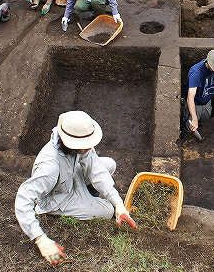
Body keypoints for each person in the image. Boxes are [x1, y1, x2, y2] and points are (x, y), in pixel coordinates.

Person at [15, 111, 136, 265]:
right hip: (59, 196)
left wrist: (118, 203)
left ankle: (88, 195)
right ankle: (86, 200)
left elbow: (96, 169)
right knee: (108, 211)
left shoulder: (78, 142)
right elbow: (24, 197)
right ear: (72, 143)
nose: (89, 147)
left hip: (71, 176)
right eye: (84, 146)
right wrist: (40, 239)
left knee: (109, 165)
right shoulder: (49, 167)